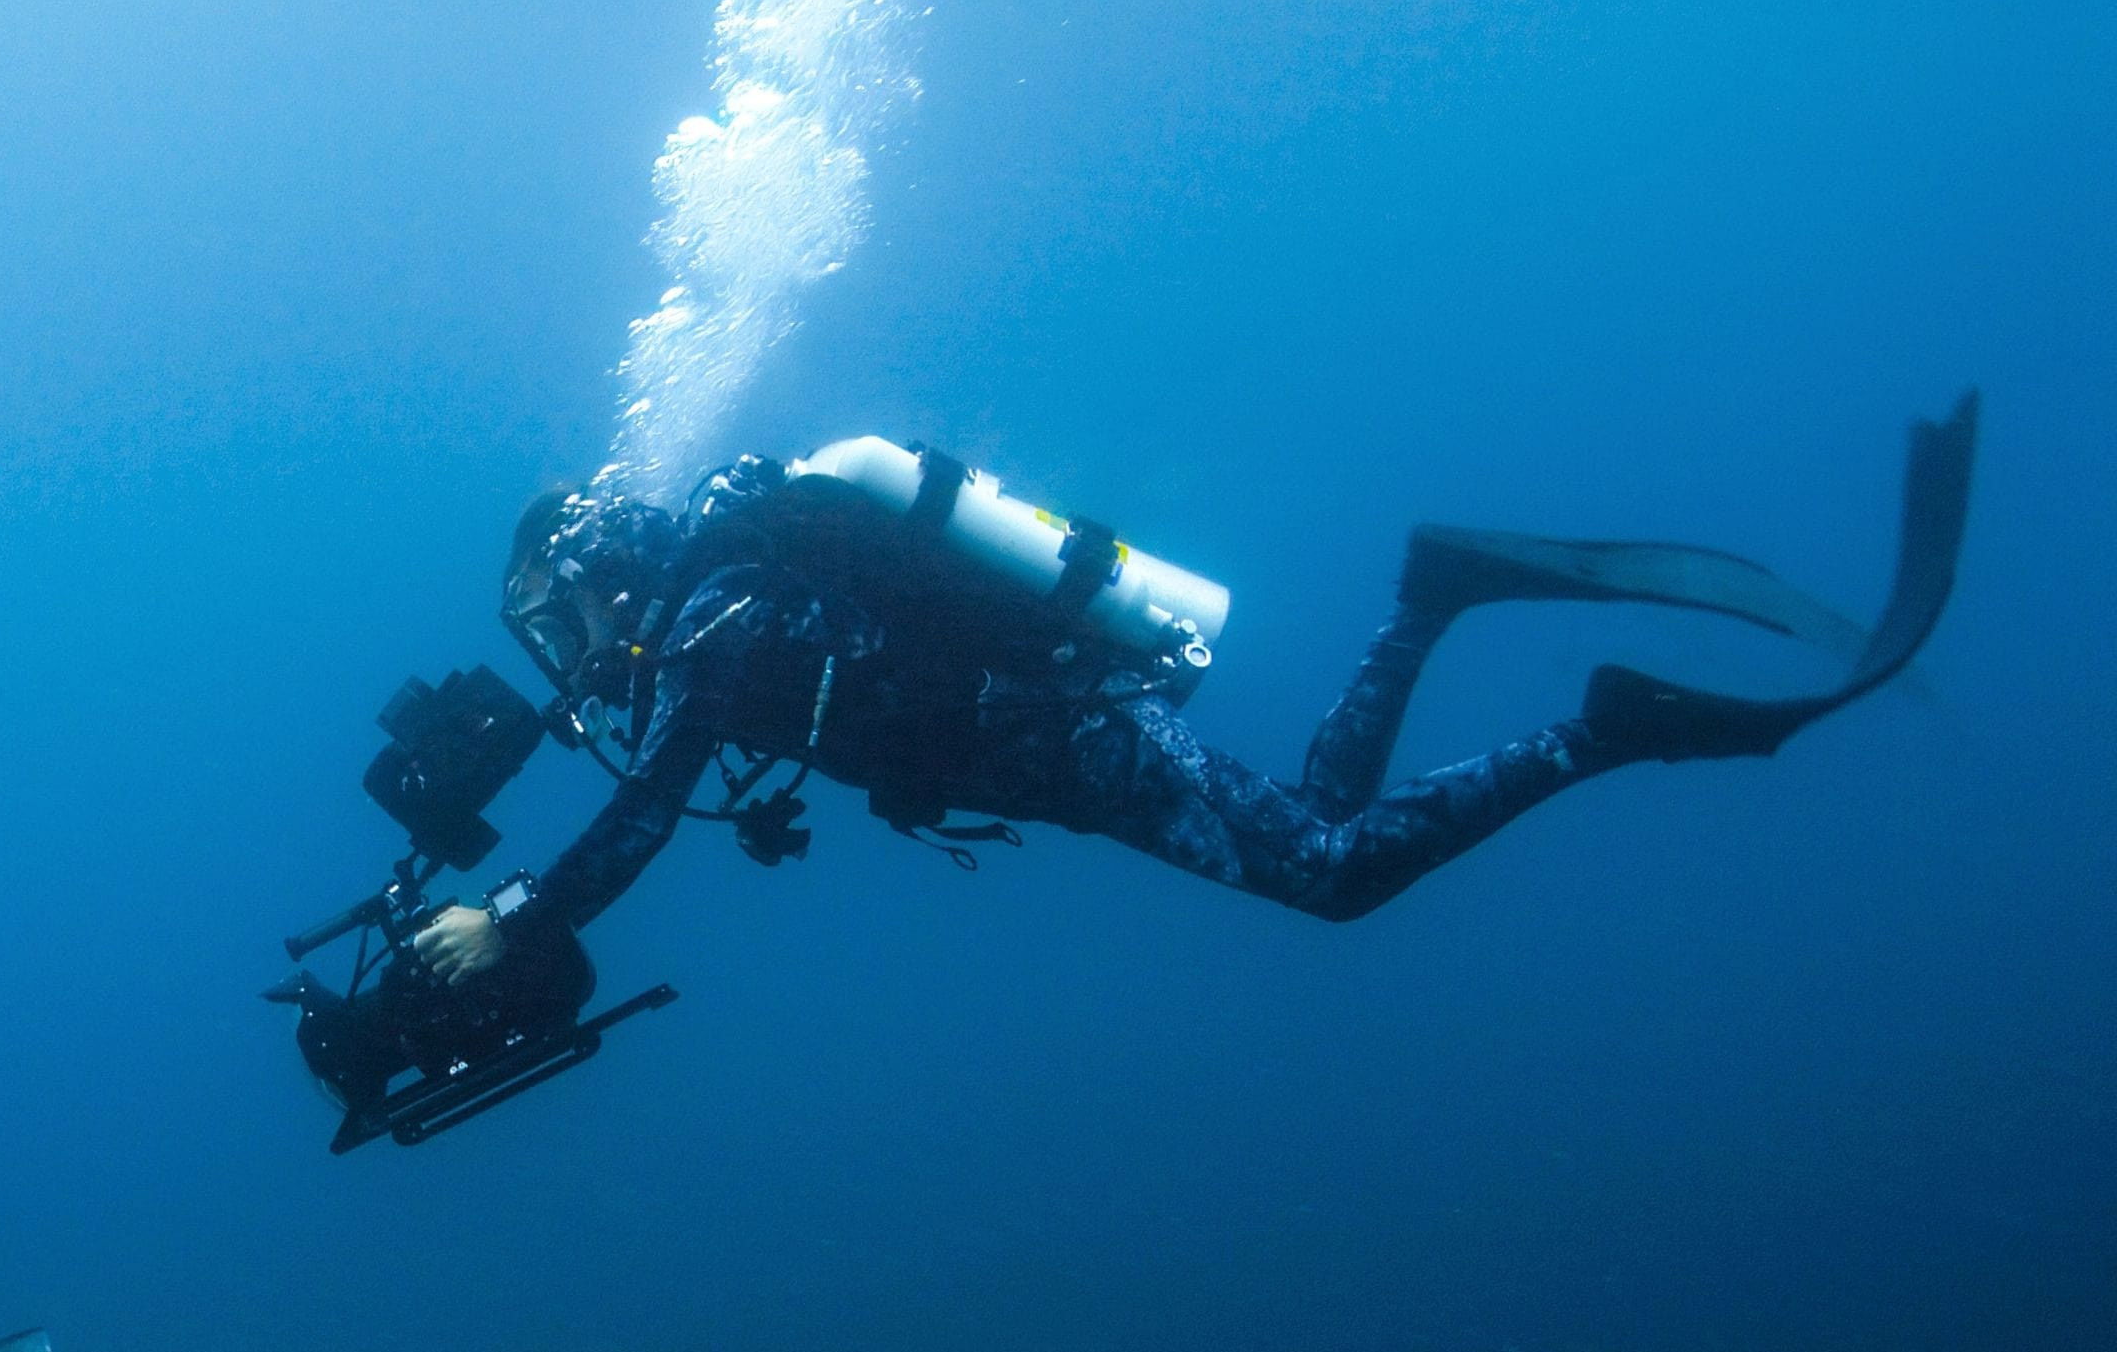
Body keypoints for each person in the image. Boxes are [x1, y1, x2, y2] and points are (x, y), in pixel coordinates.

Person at [411, 398, 1975, 983]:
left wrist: (519, 917)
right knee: (1322, 825)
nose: (568, 640)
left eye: (563, 606)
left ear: (606, 566)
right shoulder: (746, 592)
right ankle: (1431, 599)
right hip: (1069, 735)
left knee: (1334, 878)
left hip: (1077, 748)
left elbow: (645, 811)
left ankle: (1601, 726)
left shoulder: (714, 620)